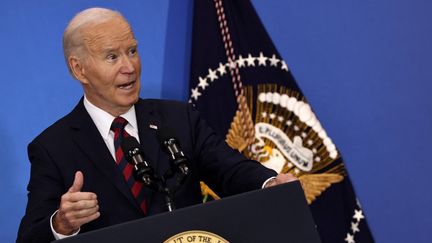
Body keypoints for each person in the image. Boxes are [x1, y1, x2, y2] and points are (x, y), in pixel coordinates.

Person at [16, 7, 297, 243]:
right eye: (112, 57)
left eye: (133, 50)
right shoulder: (53, 148)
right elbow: (29, 236)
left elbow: (230, 170)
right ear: (79, 69)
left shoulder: (178, 119)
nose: (130, 67)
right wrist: (62, 223)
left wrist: (269, 182)